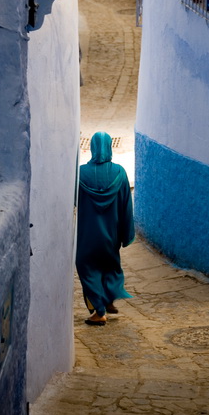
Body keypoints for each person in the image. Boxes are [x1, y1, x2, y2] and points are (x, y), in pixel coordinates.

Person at [76, 131, 135, 326]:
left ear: (92, 148)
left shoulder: (81, 173)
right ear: (110, 147)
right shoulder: (119, 172)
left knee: (87, 267)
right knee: (110, 265)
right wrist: (126, 234)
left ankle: (99, 312)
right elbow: (127, 205)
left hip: (88, 234)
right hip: (111, 233)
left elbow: (72, 201)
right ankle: (109, 301)